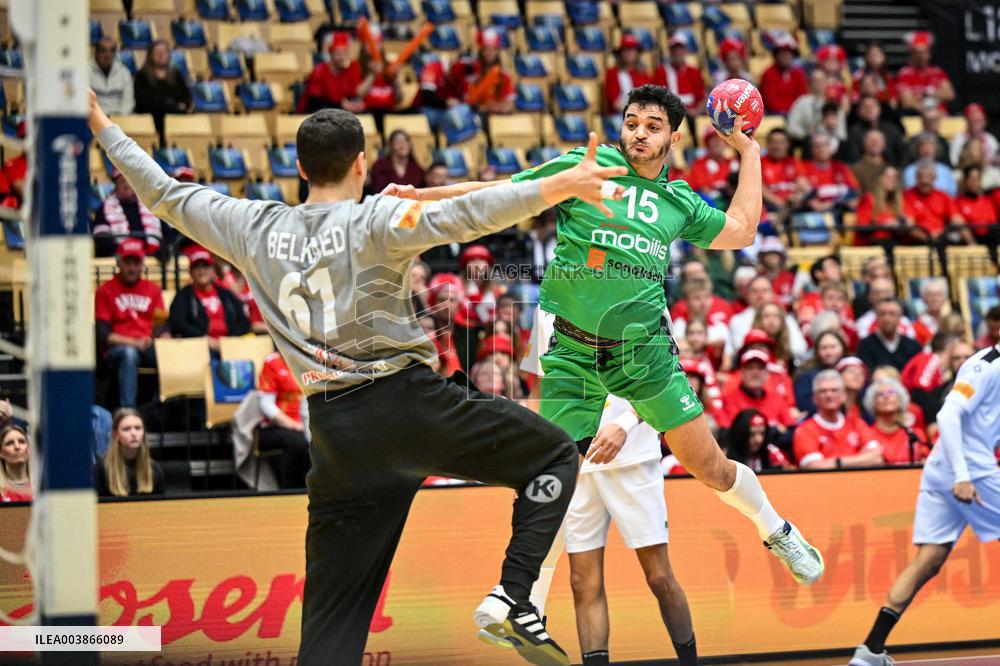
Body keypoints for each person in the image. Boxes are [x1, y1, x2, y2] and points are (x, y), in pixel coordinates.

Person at [90, 87, 628, 665]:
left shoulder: (253, 226)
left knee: (331, 627)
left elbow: (163, 192)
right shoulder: (375, 217)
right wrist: (557, 186)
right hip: (408, 406)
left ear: (298, 168)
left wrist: (99, 120)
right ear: (362, 163)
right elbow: (471, 213)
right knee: (551, 454)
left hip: (335, 434)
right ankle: (513, 599)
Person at [393, 85, 825, 598]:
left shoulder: (678, 200)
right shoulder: (586, 168)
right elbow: (499, 191)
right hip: (572, 349)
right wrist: (419, 198)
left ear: (673, 138)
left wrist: (749, 152)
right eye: (632, 122)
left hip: (642, 356)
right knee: (552, 473)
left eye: (652, 126)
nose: (638, 133)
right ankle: (521, 598)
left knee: (709, 466)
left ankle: (776, 529)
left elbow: (742, 230)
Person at [518, 306, 699, 666]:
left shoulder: (645, 292)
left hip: (634, 456)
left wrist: (626, 422)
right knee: (583, 584)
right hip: (576, 459)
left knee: (660, 577)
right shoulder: (548, 303)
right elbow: (544, 384)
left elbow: (665, 376)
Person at [850, 342, 1000, 666]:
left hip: (943, 469)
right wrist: (962, 475)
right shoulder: (987, 364)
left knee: (928, 560)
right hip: (968, 470)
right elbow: (947, 413)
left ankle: (871, 650)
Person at [95, 238, 167, 408]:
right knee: (129, 354)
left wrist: (164, 338)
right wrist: (134, 342)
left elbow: (162, 324)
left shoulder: (153, 290)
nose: (132, 267)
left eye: (137, 262)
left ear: (142, 264)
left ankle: (162, 408)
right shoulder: (105, 291)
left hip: (147, 344)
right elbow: (103, 334)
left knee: (169, 354)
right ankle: (128, 411)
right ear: (119, 262)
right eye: (128, 262)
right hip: (117, 350)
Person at [793, 370, 884, 469]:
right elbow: (814, 466)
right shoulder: (805, 430)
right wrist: (861, 458)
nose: (829, 395)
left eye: (834, 390)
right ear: (815, 398)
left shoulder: (856, 423)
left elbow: (877, 458)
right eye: (823, 391)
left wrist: (837, 462)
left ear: (843, 396)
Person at [168, 245, 250, 351]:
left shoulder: (225, 294)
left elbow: (244, 321)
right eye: (197, 267)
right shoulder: (184, 295)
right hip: (198, 348)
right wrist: (203, 338)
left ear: (213, 271)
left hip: (230, 346)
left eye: (205, 266)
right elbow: (178, 322)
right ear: (190, 272)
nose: (202, 271)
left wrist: (230, 339)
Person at [258, 350, 311, 489]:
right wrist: (293, 425)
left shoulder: (311, 360)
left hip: (307, 423)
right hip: (275, 426)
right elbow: (265, 404)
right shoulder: (272, 362)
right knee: (298, 441)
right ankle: (291, 490)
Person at [717, 349, 798, 431]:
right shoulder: (730, 400)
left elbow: (791, 428)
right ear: (741, 372)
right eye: (750, 368)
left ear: (767, 373)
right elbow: (736, 433)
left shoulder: (776, 398)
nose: (755, 373)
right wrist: (776, 429)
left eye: (760, 368)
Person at [92, 168, 164, 257]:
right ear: (115, 184)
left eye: (129, 180)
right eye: (122, 181)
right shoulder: (103, 209)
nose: (126, 185)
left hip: (151, 260)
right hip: (123, 260)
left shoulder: (151, 206)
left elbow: (167, 236)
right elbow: (101, 240)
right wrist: (128, 250)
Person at [95, 408, 165, 497]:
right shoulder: (102, 469)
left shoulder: (154, 469)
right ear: (116, 434)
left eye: (138, 428)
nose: (134, 433)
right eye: (126, 429)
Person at [133, 39, 191, 142]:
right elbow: (142, 102)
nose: (161, 55)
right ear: (150, 55)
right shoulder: (142, 76)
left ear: (169, 54)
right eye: (157, 52)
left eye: (164, 51)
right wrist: (169, 104)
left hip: (175, 120)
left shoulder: (177, 75)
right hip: (150, 120)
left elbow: (186, 99)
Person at [447, 28, 515, 114]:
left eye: (493, 49)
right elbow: (464, 98)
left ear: (498, 51)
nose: (489, 53)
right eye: (486, 49)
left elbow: (510, 103)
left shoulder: (504, 75)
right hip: (471, 114)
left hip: (495, 116)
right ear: (481, 50)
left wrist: (499, 107)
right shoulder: (469, 70)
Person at [903, 160, 973, 244]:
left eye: (929, 177)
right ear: (916, 177)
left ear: (934, 178)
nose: (925, 180)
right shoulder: (908, 196)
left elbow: (957, 219)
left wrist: (971, 242)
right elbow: (909, 226)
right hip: (918, 241)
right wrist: (929, 238)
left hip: (941, 237)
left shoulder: (942, 196)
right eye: (921, 177)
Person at [863, 378, 930, 465]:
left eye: (891, 392)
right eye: (880, 394)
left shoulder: (914, 434)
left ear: (900, 399)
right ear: (873, 403)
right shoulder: (866, 435)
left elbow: (929, 462)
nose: (886, 397)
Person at [298, 32, 366, 114]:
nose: (342, 57)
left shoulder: (349, 70)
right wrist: (340, 105)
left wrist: (356, 104)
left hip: (338, 113)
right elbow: (315, 102)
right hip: (315, 114)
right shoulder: (319, 71)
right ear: (331, 54)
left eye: (345, 53)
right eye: (338, 53)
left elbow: (353, 94)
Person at [895, 31, 955, 114]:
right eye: (917, 53)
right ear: (912, 54)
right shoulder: (904, 74)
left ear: (929, 54)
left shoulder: (937, 72)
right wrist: (926, 110)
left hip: (940, 115)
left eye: (924, 52)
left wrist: (926, 94)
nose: (921, 56)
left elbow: (949, 94)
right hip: (917, 116)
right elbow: (906, 101)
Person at [858, 298, 922, 373]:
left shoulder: (913, 346)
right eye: (882, 314)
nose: (887, 318)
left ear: (900, 317)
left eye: (892, 314)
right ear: (876, 317)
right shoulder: (865, 345)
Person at [855, 166, 913, 246]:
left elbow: (908, 219)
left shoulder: (900, 201)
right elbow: (862, 226)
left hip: (895, 243)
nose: (893, 180)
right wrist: (883, 224)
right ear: (880, 179)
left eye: (895, 177)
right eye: (889, 177)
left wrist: (905, 222)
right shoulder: (869, 199)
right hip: (873, 243)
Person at [794, 329, 848, 413]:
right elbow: (804, 404)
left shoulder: (852, 371)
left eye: (833, 347)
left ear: (842, 348)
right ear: (817, 351)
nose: (829, 352)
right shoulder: (806, 377)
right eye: (824, 348)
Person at [846, 96, 906, 167]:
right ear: (859, 111)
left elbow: (903, 153)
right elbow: (854, 158)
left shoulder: (891, 129)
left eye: (872, 106)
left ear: (879, 109)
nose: (869, 109)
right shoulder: (854, 131)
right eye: (865, 107)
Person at [725, 409, 792, 472]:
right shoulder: (725, 457)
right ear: (740, 434)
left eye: (762, 433)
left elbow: (788, 472)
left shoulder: (771, 452)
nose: (759, 440)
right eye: (752, 434)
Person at [655, 34, 705, 117]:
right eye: (674, 50)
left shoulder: (694, 72)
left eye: (680, 49)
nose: (677, 53)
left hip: (692, 117)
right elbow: (657, 99)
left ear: (686, 51)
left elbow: (701, 99)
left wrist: (696, 111)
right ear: (670, 52)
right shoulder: (661, 72)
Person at [758, 33, 808, 115]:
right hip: (774, 115)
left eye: (788, 53)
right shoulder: (768, 74)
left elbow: (802, 97)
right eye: (782, 53)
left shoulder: (798, 74)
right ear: (776, 55)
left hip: (796, 114)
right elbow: (769, 100)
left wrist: (795, 112)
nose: (785, 56)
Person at [604, 33, 654, 115]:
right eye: (626, 49)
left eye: (632, 49)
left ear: (637, 53)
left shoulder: (644, 74)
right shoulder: (612, 73)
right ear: (620, 53)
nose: (629, 52)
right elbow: (614, 102)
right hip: (621, 118)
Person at [368, 129, 426, 194]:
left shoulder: (417, 169)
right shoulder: (380, 166)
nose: (402, 144)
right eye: (397, 141)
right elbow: (378, 191)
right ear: (390, 145)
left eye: (406, 140)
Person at [91, 37, 134, 115]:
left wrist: (119, 115)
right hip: (94, 118)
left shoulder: (124, 72)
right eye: (103, 50)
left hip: (119, 118)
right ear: (96, 52)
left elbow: (128, 102)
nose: (108, 55)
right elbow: (84, 102)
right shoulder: (86, 72)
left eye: (112, 51)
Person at [949, 103, 998, 168]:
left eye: (979, 120)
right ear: (967, 121)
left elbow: (995, 160)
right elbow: (954, 161)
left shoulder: (990, 139)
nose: (976, 124)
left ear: (985, 121)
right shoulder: (959, 139)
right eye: (973, 120)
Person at [0, 425, 31, 502]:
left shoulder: (40, 488)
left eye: (21, 442)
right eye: (10, 443)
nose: (17, 447)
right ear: (1, 453)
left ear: (29, 449)